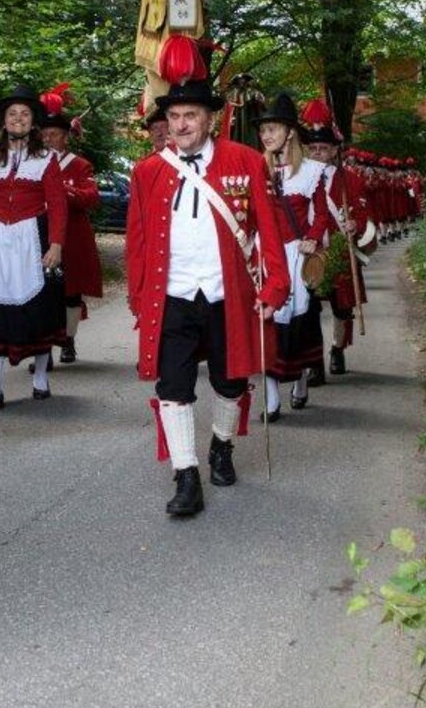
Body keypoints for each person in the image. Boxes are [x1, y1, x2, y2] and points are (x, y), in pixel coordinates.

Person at [126, 35, 289, 517]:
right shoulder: (148, 171)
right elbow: (137, 242)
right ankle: (186, 475)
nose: (180, 125)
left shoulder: (246, 162)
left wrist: (274, 286)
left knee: (230, 380)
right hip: (172, 294)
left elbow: (270, 231)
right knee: (172, 386)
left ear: (210, 118)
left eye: (190, 116)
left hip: (227, 294)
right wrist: (138, 298)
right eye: (173, 117)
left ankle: (221, 446)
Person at [0, 83, 69, 409]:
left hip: (32, 236)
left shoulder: (47, 159)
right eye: (12, 114)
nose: (18, 119)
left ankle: (40, 378)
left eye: (24, 114)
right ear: (4, 122)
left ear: (33, 121)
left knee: (38, 308)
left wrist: (55, 244)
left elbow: (58, 204)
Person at [253, 93, 331, 415]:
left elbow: (323, 214)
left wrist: (312, 239)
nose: (267, 136)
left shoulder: (312, 171)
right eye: (264, 130)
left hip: (296, 255)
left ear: (290, 132)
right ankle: (271, 397)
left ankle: (299, 379)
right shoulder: (257, 169)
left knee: (297, 322)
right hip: (265, 255)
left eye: (273, 129)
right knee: (266, 319)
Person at [301, 103, 374, 375]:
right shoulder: (299, 177)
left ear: (334, 151)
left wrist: (357, 224)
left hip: (340, 250)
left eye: (323, 149)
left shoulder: (351, 180)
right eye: (313, 149)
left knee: (342, 308)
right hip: (310, 251)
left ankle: (337, 348)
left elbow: (366, 214)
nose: (318, 153)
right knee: (307, 310)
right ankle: (313, 362)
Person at [37, 84, 102, 364]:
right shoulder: (32, 163)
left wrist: (64, 191)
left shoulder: (79, 165)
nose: (49, 139)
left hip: (72, 236)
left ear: (66, 137)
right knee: (41, 292)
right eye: (45, 134)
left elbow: (91, 196)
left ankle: (68, 339)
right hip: (40, 234)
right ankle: (43, 348)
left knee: (70, 293)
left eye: (55, 134)